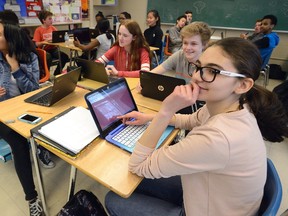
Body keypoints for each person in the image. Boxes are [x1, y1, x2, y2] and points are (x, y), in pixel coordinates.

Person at [105, 37, 288, 215]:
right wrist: (148, 117)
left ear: (242, 85)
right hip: (210, 193)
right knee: (128, 181)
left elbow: (138, 166)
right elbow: (191, 120)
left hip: (204, 209)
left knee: (114, 198)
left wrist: (165, 111)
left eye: (213, 71)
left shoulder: (218, 139)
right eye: (199, 67)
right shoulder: (234, 105)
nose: (196, 77)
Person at [0, 21, 45, 216]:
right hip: (3, 113)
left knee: (29, 135)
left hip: (23, 110)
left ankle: (42, 149)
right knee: (18, 142)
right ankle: (33, 198)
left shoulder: (30, 58)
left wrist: (16, 68)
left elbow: (34, 90)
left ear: (10, 39)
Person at [33, 10, 69, 76]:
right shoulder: (38, 30)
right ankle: (46, 75)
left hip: (53, 49)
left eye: (51, 18)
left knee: (64, 56)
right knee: (48, 57)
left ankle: (57, 73)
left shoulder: (53, 28)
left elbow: (59, 37)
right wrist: (45, 41)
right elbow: (36, 44)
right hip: (43, 50)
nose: (51, 20)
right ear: (44, 20)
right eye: (49, 19)